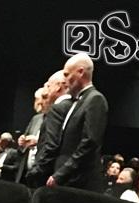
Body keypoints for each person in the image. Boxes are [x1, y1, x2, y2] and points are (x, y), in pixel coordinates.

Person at [46, 53, 108, 192]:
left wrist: (61, 174)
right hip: (71, 178)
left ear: (80, 72)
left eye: (67, 74)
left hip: (79, 181)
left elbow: (90, 142)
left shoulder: (95, 99)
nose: (64, 80)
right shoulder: (80, 100)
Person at [25, 70, 71, 188]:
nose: (46, 91)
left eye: (49, 86)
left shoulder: (57, 108)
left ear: (58, 87)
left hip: (47, 176)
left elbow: (51, 145)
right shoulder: (74, 107)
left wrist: (36, 171)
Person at [15, 90, 44, 183]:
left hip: (41, 172)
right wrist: (22, 142)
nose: (37, 103)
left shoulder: (56, 117)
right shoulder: (36, 118)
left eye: (39, 99)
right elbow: (24, 142)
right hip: (25, 171)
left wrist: (37, 142)